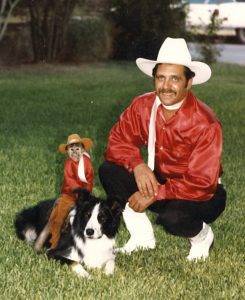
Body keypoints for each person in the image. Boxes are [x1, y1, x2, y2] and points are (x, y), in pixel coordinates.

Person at [99, 37, 226, 261]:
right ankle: (142, 237)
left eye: (175, 78)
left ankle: (202, 237)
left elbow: (202, 183)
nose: (166, 86)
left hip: (199, 194)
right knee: (109, 170)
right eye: (161, 78)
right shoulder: (143, 106)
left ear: (189, 82)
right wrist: (137, 164)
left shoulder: (205, 122)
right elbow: (117, 141)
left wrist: (156, 193)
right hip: (158, 179)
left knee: (173, 217)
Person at [34, 133, 94, 251]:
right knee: (58, 219)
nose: (75, 152)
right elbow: (71, 182)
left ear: (82, 149)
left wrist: (86, 194)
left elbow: (90, 180)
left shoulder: (87, 162)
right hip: (69, 196)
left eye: (77, 148)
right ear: (67, 151)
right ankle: (54, 244)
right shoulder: (68, 164)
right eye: (71, 149)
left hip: (84, 196)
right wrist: (80, 194)